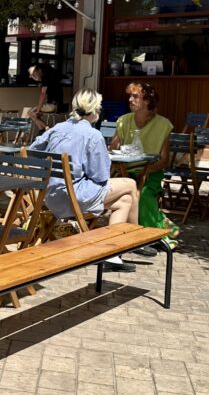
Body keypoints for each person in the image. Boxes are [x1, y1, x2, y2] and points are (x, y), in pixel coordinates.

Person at [29, 89, 139, 270]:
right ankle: (136, 237)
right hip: (74, 198)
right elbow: (101, 176)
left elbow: (32, 151)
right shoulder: (93, 135)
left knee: (125, 200)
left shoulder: (58, 128)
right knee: (131, 184)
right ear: (95, 110)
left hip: (51, 196)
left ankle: (113, 255)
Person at [110, 81, 177, 249]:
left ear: (147, 100)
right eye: (129, 96)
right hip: (124, 172)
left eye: (135, 96)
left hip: (151, 172)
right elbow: (113, 150)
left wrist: (146, 172)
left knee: (144, 194)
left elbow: (164, 160)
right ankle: (159, 231)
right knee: (130, 195)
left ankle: (157, 236)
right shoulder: (123, 121)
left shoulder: (163, 125)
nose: (130, 100)